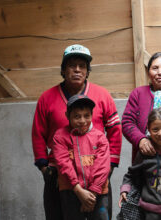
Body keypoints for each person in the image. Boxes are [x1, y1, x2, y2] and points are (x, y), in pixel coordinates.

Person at [32, 44, 122, 220]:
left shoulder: (102, 95)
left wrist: (109, 166)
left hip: (96, 173)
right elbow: (38, 133)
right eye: (72, 65)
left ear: (88, 71)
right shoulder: (47, 98)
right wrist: (44, 168)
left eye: (82, 66)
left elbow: (114, 130)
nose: (77, 70)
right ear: (63, 70)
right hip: (59, 173)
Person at [52, 95, 110, 220]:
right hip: (71, 191)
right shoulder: (60, 136)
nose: (82, 121)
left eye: (87, 115)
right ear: (67, 116)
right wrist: (78, 190)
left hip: (98, 192)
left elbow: (103, 166)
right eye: (77, 116)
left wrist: (92, 194)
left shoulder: (100, 137)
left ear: (92, 114)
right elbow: (63, 164)